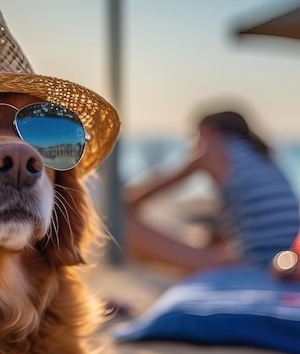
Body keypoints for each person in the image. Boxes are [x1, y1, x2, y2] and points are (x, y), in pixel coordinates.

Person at [125, 110, 300, 274]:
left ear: (210, 131)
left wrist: (124, 202)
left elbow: (147, 193)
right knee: (205, 243)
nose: (194, 146)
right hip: (288, 259)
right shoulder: (260, 155)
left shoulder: (215, 150)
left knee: (124, 226)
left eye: (196, 137)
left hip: (259, 265)